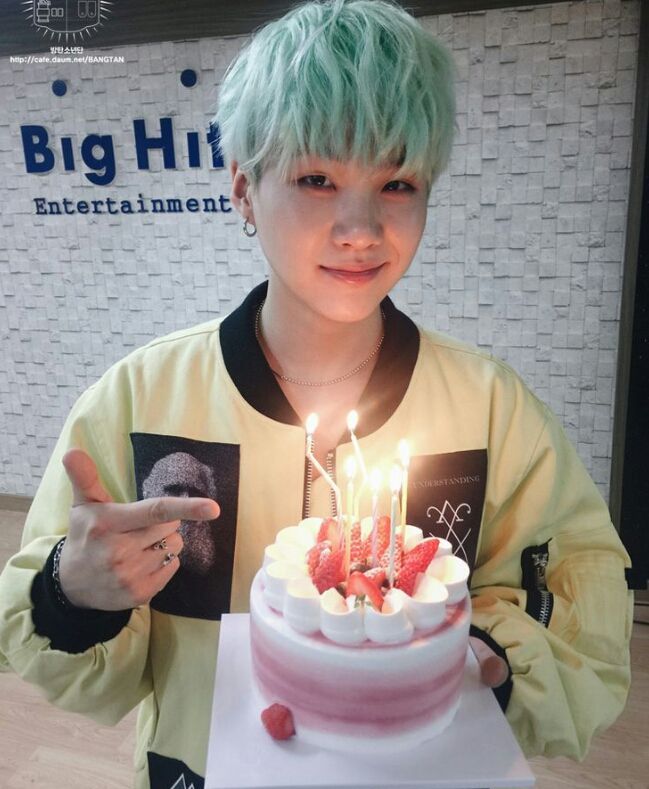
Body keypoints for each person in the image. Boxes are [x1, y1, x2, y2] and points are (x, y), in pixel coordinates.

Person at [0, 1, 632, 787]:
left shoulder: (491, 408)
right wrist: (72, 592)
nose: (361, 227)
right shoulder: (141, 397)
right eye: (316, 179)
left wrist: (489, 656)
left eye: (396, 181)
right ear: (242, 190)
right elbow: (70, 655)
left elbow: (580, 610)